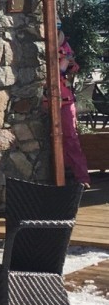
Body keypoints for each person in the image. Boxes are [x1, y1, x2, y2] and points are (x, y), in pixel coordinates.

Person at [57, 23, 91, 188]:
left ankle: (81, 178)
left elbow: (71, 69)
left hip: (65, 98)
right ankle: (60, 176)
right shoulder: (39, 44)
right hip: (46, 99)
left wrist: (69, 65)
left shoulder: (64, 44)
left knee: (71, 137)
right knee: (50, 139)